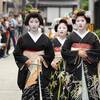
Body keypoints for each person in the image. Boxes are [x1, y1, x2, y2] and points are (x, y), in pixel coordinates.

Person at [13, 12, 55, 100]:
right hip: (28, 68)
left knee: (43, 93)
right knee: (28, 93)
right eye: (31, 22)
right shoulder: (22, 38)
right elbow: (17, 53)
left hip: (41, 69)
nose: (34, 24)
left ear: (40, 23)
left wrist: (42, 58)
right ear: (28, 23)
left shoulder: (46, 39)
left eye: (36, 22)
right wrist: (25, 60)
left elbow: (51, 54)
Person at [61, 10, 100, 100]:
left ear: (87, 23)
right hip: (74, 69)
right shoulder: (71, 36)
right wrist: (77, 53)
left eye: (82, 21)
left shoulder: (93, 36)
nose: (80, 23)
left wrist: (87, 54)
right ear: (75, 23)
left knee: (89, 92)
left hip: (89, 68)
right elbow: (64, 51)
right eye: (78, 21)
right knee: (75, 92)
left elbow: (98, 52)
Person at [50, 19, 72, 100]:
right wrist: (51, 62)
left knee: (67, 89)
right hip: (54, 68)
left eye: (64, 28)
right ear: (56, 29)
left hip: (67, 67)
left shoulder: (70, 41)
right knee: (54, 89)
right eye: (59, 28)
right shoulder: (52, 41)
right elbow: (48, 54)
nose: (61, 29)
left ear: (67, 30)